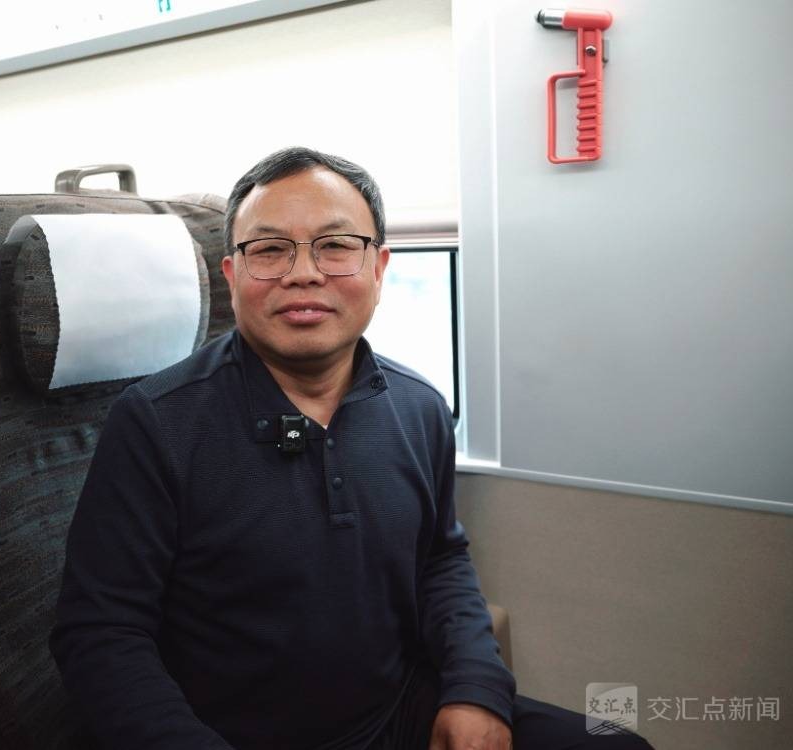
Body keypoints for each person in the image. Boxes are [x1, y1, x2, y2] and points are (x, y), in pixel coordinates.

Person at [50, 147, 654, 750]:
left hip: (399, 713)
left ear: (379, 268)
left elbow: (440, 559)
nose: (303, 273)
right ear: (232, 276)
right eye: (269, 249)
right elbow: (102, 633)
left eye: (336, 245)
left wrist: (475, 689)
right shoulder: (155, 422)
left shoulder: (420, 408)